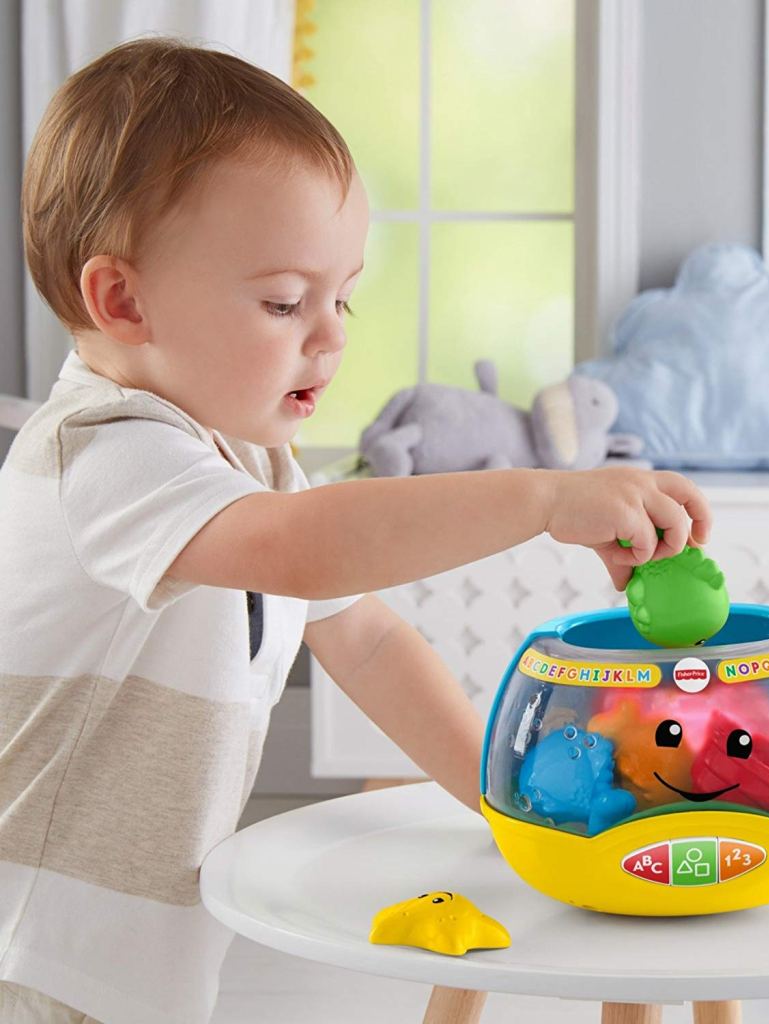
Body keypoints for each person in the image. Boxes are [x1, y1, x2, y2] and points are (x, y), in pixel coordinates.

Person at [0, 37, 711, 1024]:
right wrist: (543, 499)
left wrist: (505, 802)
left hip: (136, 956)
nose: (332, 334)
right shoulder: (104, 456)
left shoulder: (245, 463)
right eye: (286, 301)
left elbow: (367, 639)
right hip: (39, 948)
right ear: (123, 300)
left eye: (342, 295)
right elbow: (302, 547)